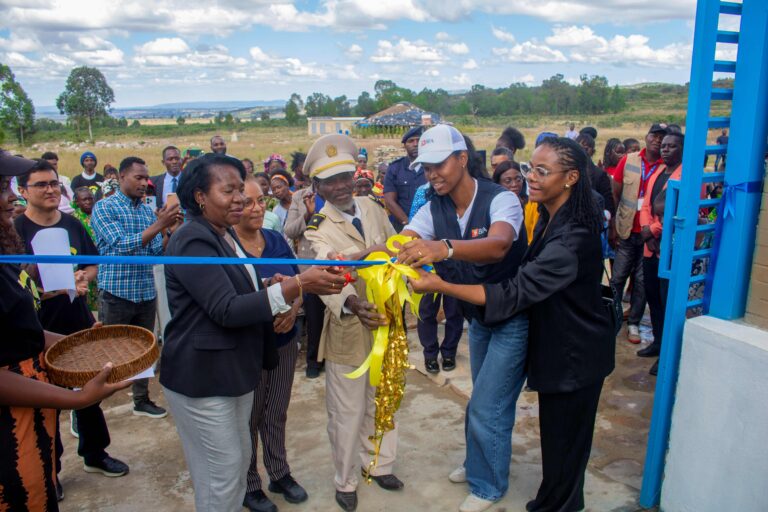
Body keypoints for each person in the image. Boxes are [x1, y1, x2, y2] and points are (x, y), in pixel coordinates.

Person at [409, 137, 614, 512]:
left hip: (574, 353)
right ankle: (502, 478)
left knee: (558, 443)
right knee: (547, 437)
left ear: (570, 178)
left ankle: (522, 496)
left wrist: (441, 279)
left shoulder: (571, 237)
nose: (529, 179)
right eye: (529, 168)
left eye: (542, 171)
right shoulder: (554, 216)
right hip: (548, 342)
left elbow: (513, 289)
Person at [160, 153, 344, 512]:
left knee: (237, 457)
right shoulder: (192, 240)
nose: (241, 200)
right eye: (229, 191)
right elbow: (225, 309)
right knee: (222, 475)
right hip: (203, 378)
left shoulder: (222, 234)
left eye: (241, 192)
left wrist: (269, 283)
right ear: (200, 195)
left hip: (232, 371)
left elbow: (229, 287)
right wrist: (296, 284)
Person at [396, 124, 527, 512]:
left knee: (490, 404)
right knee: (481, 400)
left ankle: (488, 486)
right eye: (426, 167)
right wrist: (364, 255)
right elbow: (404, 239)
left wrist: (445, 248)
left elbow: (499, 244)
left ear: (462, 159)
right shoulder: (434, 207)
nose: (432, 174)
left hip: (512, 316)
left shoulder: (501, 199)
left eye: (439, 165)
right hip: (479, 317)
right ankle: (476, 464)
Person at [0, 150, 130, 512]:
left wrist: (84, 339)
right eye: (4, 187)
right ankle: (53, 470)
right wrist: (76, 398)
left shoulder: (71, 225)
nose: (9, 196)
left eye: (54, 183)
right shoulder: (16, 231)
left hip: (68, 327)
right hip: (11, 421)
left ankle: (92, 453)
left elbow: (91, 265)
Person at [303, 134, 403, 512]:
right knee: (346, 412)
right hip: (348, 324)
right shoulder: (317, 225)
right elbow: (326, 270)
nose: (341, 185)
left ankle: (379, 464)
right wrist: (352, 300)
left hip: (385, 319)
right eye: (330, 181)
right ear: (318, 187)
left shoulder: (372, 207)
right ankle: (345, 480)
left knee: (384, 399)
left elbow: (393, 246)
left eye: (345, 176)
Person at [235, 176, 308, 512]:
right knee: (249, 418)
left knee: (276, 411)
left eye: (260, 201)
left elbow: (297, 282)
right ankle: (250, 484)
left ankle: (279, 472)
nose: (256, 208)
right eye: (247, 202)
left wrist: (293, 312)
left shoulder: (276, 239)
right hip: (248, 344)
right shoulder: (227, 248)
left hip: (284, 340)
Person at [91, 156, 182, 419]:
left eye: (146, 178)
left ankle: (141, 400)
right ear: (121, 178)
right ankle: (84, 404)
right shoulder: (105, 208)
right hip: (116, 293)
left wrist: (170, 231)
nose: (144, 183)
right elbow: (121, 246)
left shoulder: (145, 211)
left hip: (144, 291)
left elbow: (155, 252)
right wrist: (159, 225)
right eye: (138, 178)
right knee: (108, 353)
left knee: (144, 352)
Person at [639, 132, 697, 376]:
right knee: (653, 297)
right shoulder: (658, 172)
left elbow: (677, 212)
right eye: (663, 146)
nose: (665, 150)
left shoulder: (687, 174)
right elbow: (647, 206)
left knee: (666, 298)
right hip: (650, 247)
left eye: (672, 146)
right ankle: (658, 342)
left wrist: (652, 230)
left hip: (669, 248)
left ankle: (667, 352)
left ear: (682, 149)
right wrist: (646, 231)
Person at [613, 124, 667, 344]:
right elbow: (616, 191)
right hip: (627, 230)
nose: (657, 140)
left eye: (662, 138)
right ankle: (613, 314)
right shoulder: (629, 160)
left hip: (650, 236)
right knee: (617, 278)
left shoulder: (669, 166)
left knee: (642, 283)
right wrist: (614, 226)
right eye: (654, 135)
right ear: (646, 136)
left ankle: (633, 322)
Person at [284, 180, 327, 379]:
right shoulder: (300, 197)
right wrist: (308, 215)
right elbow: (290, 230)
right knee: (314, 315)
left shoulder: (340, 193)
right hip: (311, 265)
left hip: (338, 259)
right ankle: (314, 361)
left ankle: (332, 357)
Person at [383, 125, 426, 231]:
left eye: (418, 140)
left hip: (430, 226)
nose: (415, 144)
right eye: (411, 141)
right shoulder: (394, 168)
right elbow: (389, 201)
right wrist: (409, 224)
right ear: (404, 146)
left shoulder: (434, 166)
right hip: (403, 227)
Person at [70, 187, 99, 311]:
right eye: (84, 199)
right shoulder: (73, 220)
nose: (88, 202)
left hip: (99, 264)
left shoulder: (98, 215)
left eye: (90, 199)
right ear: (77, 202)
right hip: (83, 266)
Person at [576, 133, 616, 218]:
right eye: (579, 148)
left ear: (593, 152)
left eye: (586, 149)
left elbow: (609, 207)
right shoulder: (567, 171)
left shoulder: (600, 174)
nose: (582, 151)